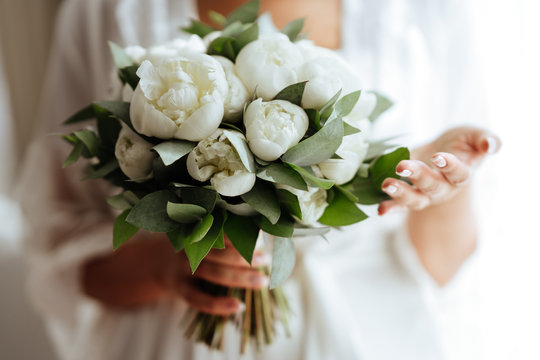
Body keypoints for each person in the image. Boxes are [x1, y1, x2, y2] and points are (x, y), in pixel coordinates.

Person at [18, 0, 500, 359]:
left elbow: (441, 266)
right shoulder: (109, 9)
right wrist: (167, 266)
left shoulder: (430, 13)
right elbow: (60, 246)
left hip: (375, 335)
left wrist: (444, 187)